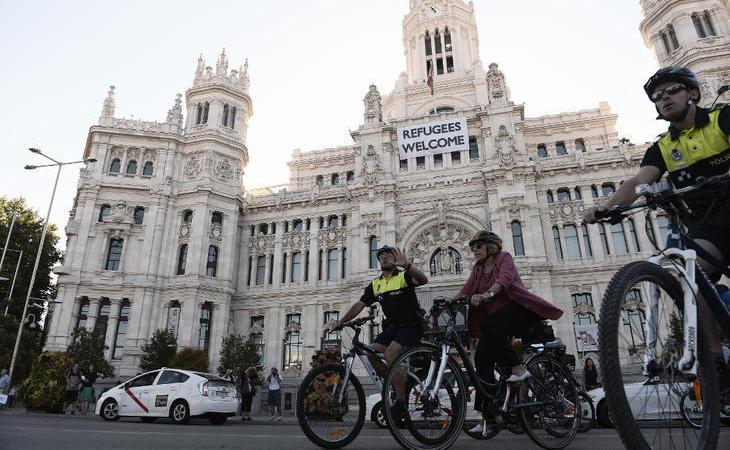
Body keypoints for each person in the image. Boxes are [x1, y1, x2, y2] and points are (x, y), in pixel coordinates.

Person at [583, 66, 730, 394]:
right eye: (657, 96)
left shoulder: (722, 119)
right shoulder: (663, 147)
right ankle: (717, 363)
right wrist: (607, 206)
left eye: (672, 91)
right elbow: (638, 181)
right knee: (695, 278)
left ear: (692, 93)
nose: (664, 98)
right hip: (708, 223)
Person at [460, 231, 563, 433]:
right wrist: (449, 301)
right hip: (498, 322)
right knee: (481, 360)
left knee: (489, 323)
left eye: (478, 246)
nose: (474, 250)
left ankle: (518, 368)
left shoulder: (504, 258)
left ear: (490, 246)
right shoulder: (478, 269)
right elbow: (467, 289)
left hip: (519, 312)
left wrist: (488, 293)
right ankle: (488, 417)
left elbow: (505, 280)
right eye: (472, 248)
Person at [328, 245, 428, 419]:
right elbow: (360, 304)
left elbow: (424, 280)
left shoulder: (403, 276)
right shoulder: (376, 284)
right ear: (379, 260)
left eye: (389, 255)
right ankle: (397, 381)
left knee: (390, 355)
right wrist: (341, 321)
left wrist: (408, 266)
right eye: (381, 256)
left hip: (410, 326)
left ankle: (401, 401)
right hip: (391, 328)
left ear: (394, 259)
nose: (385, 257)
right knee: (369, 353)